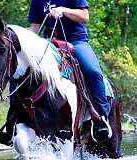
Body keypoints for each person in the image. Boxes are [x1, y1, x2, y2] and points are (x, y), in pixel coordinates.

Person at [27, 0, 111, 141]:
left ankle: (101, 119)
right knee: (23, 68)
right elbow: (35, 27)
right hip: (49, 43)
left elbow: (85, 16)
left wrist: (63, 10)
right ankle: (14, 121)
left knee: (92, 71)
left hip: (76, 41)